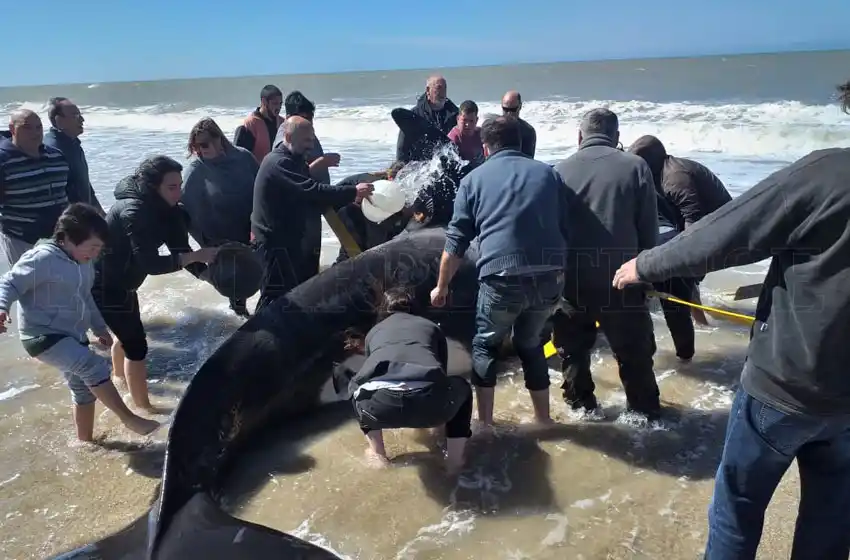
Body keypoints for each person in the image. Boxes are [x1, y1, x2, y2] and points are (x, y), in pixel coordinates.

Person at [612, 144, 850, 559]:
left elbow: (723, 233)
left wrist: (645, 266)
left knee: (737, 510)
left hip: (783, 389)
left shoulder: (828, 172)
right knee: (829, 523)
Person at [431, 116, 569, 427]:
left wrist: (441, 287)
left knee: (485, 344)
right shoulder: (550, 174)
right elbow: (566, 226)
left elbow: (455, 241)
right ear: (519, 142)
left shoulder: (473, 180)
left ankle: (486, 424)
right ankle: (543, 419)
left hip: (501, 277)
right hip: (551, 276)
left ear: (485, 147)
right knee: (530, 342)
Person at [0, 204, 159, 441]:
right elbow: (9, 283)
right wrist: (2, 307)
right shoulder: (41, 258)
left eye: (99, 249)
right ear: (65, 239)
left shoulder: (83, 264)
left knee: (83, 391)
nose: (95, 254)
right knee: (94, 366)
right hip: (42, 336)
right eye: (92, 247)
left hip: (72, 336)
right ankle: (130, 419)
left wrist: (98, 328)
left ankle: (85, 441)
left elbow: (86, 297)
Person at [551, 108, 661, 419]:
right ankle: (644, 418)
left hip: (572, 281)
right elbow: (648, 232)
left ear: (579, 136)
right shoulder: (636, 167)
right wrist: (647, 275)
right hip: (622, 280)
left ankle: (581, 410)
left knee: (573, 352)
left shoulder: (558, 171)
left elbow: (552, 229)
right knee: (634, 356)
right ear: (616, 137)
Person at [93, 156, 218, 412]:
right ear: (153, 187)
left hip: (126, 283)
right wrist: (195, 256)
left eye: (179, 185)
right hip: (103, 284)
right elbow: (151, 264)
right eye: (172, 187)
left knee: (126, 334)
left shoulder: (168, 208)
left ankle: (120, 380)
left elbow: (179, 249)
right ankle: (144, 408)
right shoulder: (133, 212)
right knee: (136, 345)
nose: (179, 192)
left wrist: (209, 276)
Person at [343, 287, 472, 473]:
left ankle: (378, 454)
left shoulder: (373, 332)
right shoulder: (431, 326)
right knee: (463, 388)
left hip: (378, 407)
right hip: (429, 401)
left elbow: (371, 374)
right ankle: (454, 461)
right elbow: (440, 374)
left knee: (358, 389)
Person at [251, 116, 374, 311]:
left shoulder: (294, 159)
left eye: (312, 139)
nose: (311, 145)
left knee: (292, 294)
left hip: (287, 241)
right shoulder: (279, 163)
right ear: (289, 137)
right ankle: (252, 338)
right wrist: (353, 192)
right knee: (273, 298)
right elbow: (312, 191)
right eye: (306, 140)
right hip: (272, 244)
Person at [629, 134, 733, 359]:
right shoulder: (661, 172)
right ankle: (702, 321)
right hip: (702, 223)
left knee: (681, 275)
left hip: (724, 228)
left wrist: (683, 263)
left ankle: (696, 329)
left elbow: (693, 223)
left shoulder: (675, 178)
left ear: (648, 162)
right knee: (682, 277)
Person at [181, 118, 259, 317]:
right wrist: (205, 243)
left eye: (204, 144)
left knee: (263, 279)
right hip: (222, 241)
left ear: (219, 139)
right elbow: (182, 212)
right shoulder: (196, 171)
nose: (200, 149)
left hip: (251, 232)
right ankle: (239, 324)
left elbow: (262, 191)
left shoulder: (244, 158)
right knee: (236, 292)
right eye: (195, 146)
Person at [0, 110, 70, 269]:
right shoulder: (3, 161)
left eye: (39, 127)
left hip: (58, 237)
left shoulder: (56, 157)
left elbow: (68, 193)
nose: (35, 132)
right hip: (21, 238)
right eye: (27, 127)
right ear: (12, 129)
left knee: (60, 287)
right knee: (30, 289)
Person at [334, 161, 409, 264]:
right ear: (391, 178)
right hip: (340, 207)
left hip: (363, 209)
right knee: (355, 251)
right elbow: (332, 193)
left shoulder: (389, 186)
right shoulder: (377, 187)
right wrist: (352, 197)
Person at [43, 97, 105, 214]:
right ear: (59, 121)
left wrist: (100, 213)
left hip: (83, 218)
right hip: (70, 223)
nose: (82, 119)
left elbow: (84, 184)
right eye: (75, 116)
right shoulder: (53, 151)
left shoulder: (73, 143)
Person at [274, 91, 341, 185]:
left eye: (311, 117)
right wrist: (321, 162)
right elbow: (292, 180)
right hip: (307, 195)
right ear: (289, 118)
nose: (309, 122)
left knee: (363, 180)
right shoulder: (285, 140)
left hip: (322, 192)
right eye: (305, 118)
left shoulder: (305, 132)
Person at [395, 75, 459, 162]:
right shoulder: (415, 115)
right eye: (439, 88)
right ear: (428, 90)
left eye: (445, 88)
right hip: (421, 166)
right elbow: (402, 147)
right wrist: (400, 165)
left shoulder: (455, 115)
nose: (443, 91)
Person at [233, 85, 284, 163]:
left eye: (280, 104)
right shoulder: (250, 124)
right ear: (264, 101)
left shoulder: (282, 122)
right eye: (275, 103)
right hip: (257, 172)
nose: (278, 107)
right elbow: (240, 157)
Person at [501, 91, 537, 158]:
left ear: (520, 106)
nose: (509, 113)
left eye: (513, 110)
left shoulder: (528, 131)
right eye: (505, 109)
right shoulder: (492, 129)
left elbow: (528, 160)